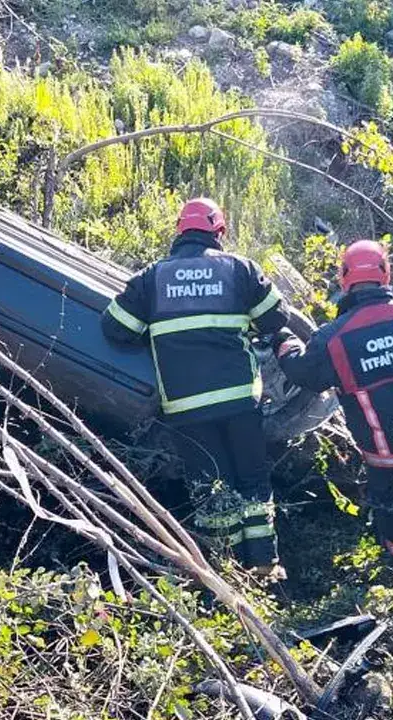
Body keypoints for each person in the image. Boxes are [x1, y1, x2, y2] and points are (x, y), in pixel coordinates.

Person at [100, 198, 289, 577]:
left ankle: (225, 571)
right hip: (239, 399)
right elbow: (276, 317)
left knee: (211, 485)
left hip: (187, 408)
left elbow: (115, 328)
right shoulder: (240, 269)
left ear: (179, 231)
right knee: (251, 478)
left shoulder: (153, 278)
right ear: (220, 231)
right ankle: (264, 564)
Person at [271, 240, 393, 561]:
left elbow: (304, 374)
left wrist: (283, 341)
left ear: (344, 279)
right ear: (386, 274)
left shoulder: (334, 337)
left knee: (391, 496)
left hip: (386, 447)